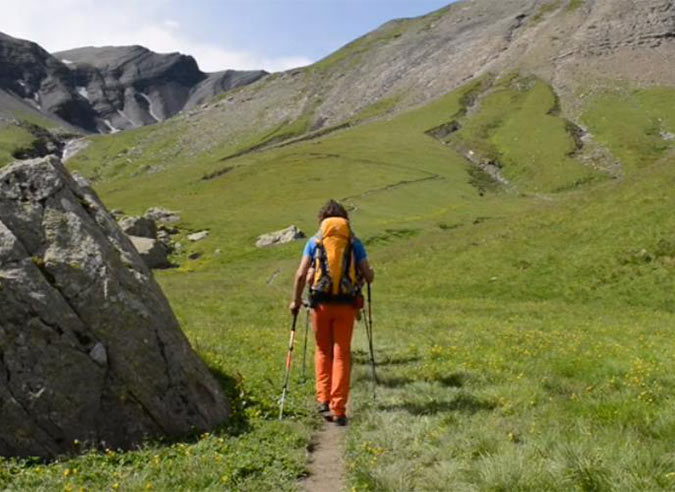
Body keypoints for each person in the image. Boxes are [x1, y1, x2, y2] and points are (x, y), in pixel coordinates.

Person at [289, 200, 374, 426]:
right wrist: (368, 274)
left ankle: (322, 398)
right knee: (341, 354)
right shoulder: (354, 242)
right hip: (346, 305)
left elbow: (300, 275)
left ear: (322, 220)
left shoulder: (314, 242)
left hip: (320, 304)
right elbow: (368, 274)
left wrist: (295, 301)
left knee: (322, 351)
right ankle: (338, 409)